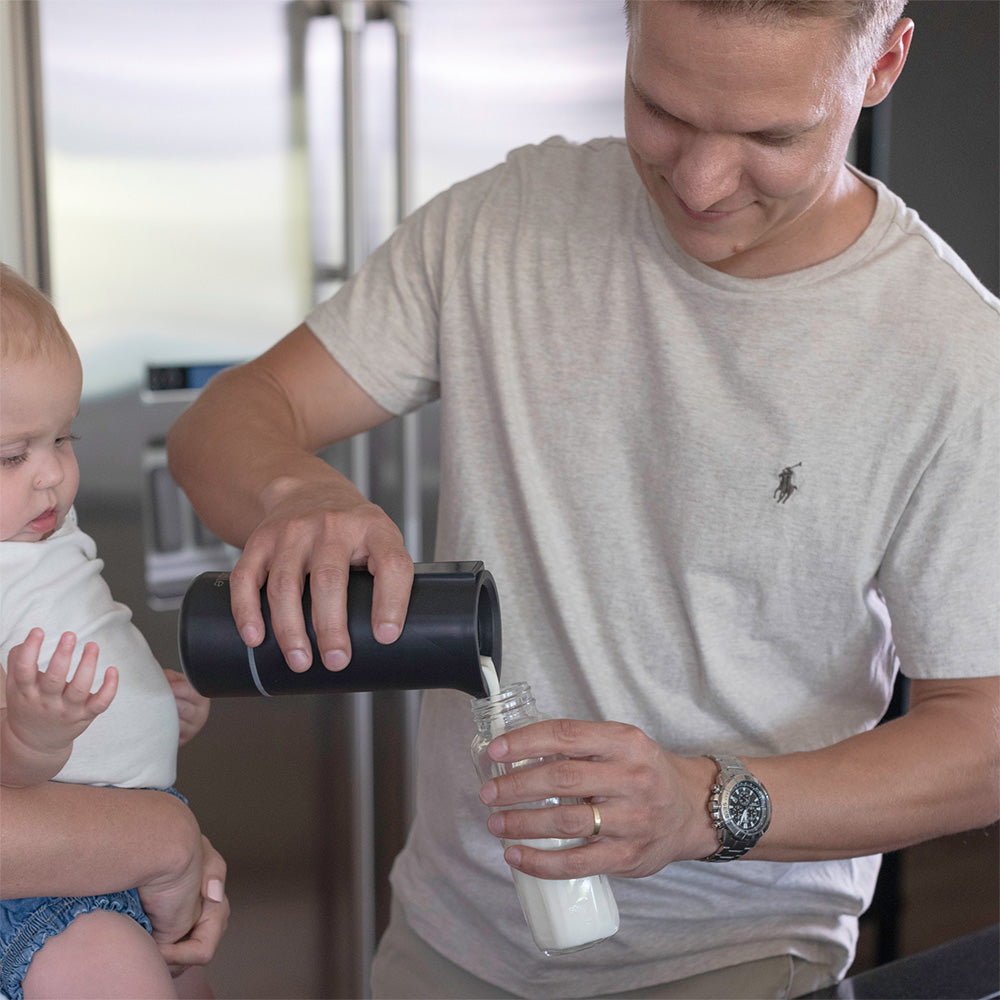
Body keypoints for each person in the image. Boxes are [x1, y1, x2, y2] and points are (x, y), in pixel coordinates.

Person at [166, 1, 999, 997]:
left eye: (770, 136)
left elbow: (982, 740)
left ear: (883, 64)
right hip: (447, 937)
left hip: (726, 953)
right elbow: (226, 420)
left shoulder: (950, 357)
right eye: (662, 111)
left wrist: (705, 802)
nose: (697, 183)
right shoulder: (507, 220)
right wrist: (289, 485)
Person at [0, 264, 229, 1000]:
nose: (50, 477)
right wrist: (35, 735)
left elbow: (76, 629)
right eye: (11, 455)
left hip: (112, 842)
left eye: (61, 438)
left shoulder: (38, 531)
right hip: (49, 894)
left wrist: (142, 706)